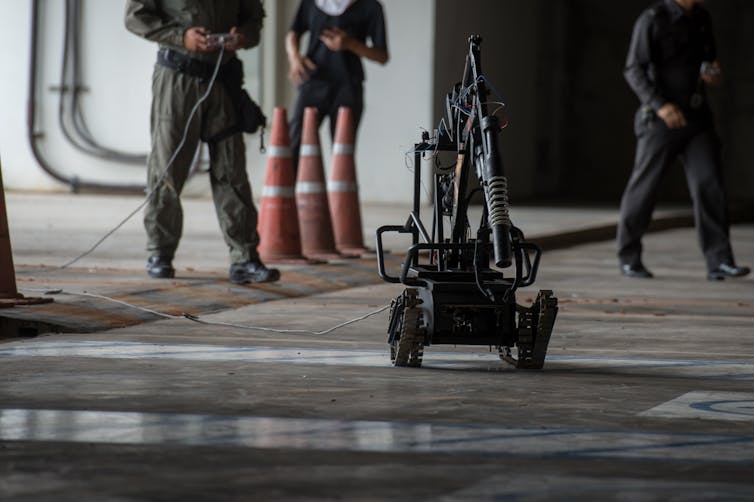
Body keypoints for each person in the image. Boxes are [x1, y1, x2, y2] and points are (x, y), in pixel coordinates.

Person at [125, 0, 279, 284]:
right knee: (167, 169)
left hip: (223, 79)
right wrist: (181, 37)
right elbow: (135, 17)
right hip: (177, 79)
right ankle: (160, 253)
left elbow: (254, 19)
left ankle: (245, 258)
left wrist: (242, 36)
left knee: (232, 171)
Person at [617, 0, 750, 281]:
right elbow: (633, 69)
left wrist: (712, 74)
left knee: (709, 184)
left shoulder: (702, 18)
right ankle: (629, 258)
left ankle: (719, 261)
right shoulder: (652, 19)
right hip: (661, 119)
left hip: (697, 117)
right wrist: (660, 105)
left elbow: (709, 63)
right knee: (645, 187)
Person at [286, 0, 389, 170]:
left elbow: (382, 55)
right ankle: (288, 187)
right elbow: (293, 32)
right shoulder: (311, 3)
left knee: (342, 154)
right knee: (294, 143)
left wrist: (350, 44)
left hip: (348, 86)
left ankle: (338, 189)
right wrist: (294, 58)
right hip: (313, 82)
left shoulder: (371, 7)